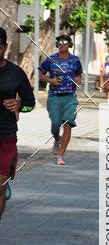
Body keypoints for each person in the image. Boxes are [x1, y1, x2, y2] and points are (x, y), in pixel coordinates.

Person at [0, 26, 35, 219]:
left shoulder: (15, 73)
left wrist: (19, 104)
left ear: (4, 47)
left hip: (5, 136)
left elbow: (31, 103)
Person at [39, 34, 82, 166]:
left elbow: (79, 75)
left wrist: (77, 82)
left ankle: (60, 156)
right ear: (57, 44)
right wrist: (50, 80)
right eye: (60, 42)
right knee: (55, 124)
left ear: (70, 44)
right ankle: (57, 138)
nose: (63, 44)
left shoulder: (75, 60)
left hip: (70, 97)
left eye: (65, 42)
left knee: (68, 123)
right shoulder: (51, 59)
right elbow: (40, 74)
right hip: (54, 97)